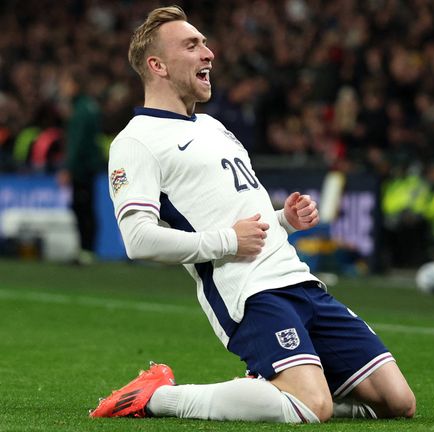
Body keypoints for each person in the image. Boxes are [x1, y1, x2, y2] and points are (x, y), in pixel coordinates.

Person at [90, 6, 415, 424]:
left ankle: (276, 393)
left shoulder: (214, 127)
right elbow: (138, 240)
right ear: (157, 65)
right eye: (192, 45)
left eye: (205, 42)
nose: (208, 53)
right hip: (247, 292)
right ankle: (156, 397)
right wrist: (228, 241)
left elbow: (240, 216)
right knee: (312, 406)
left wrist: (283, 220)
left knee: (398, 402)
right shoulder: (136, 141)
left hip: (300, 280)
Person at [57, 69, 104, 265]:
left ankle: (86, 251)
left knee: (82, 208)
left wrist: (68, 168)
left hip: (82, 168)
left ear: (75, 85)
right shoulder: (89, 106)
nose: (63, 87)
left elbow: (76, 142)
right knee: (86, 208)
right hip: (89, 166)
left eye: (66, 83)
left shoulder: (80, 110)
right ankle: (86, 250)